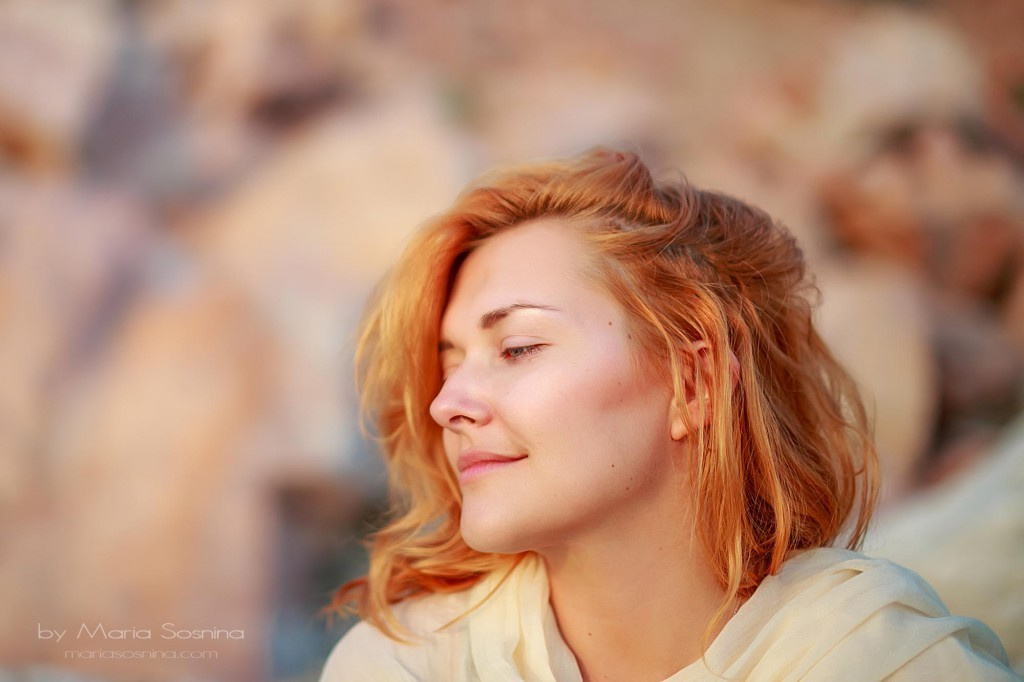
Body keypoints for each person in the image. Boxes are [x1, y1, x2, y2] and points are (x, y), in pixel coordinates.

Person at [320, 148, 1018, 681]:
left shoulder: (880, 661)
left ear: (694, 379)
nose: (447, 405)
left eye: (518, 347)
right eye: (449, 362)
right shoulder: (407, 665)